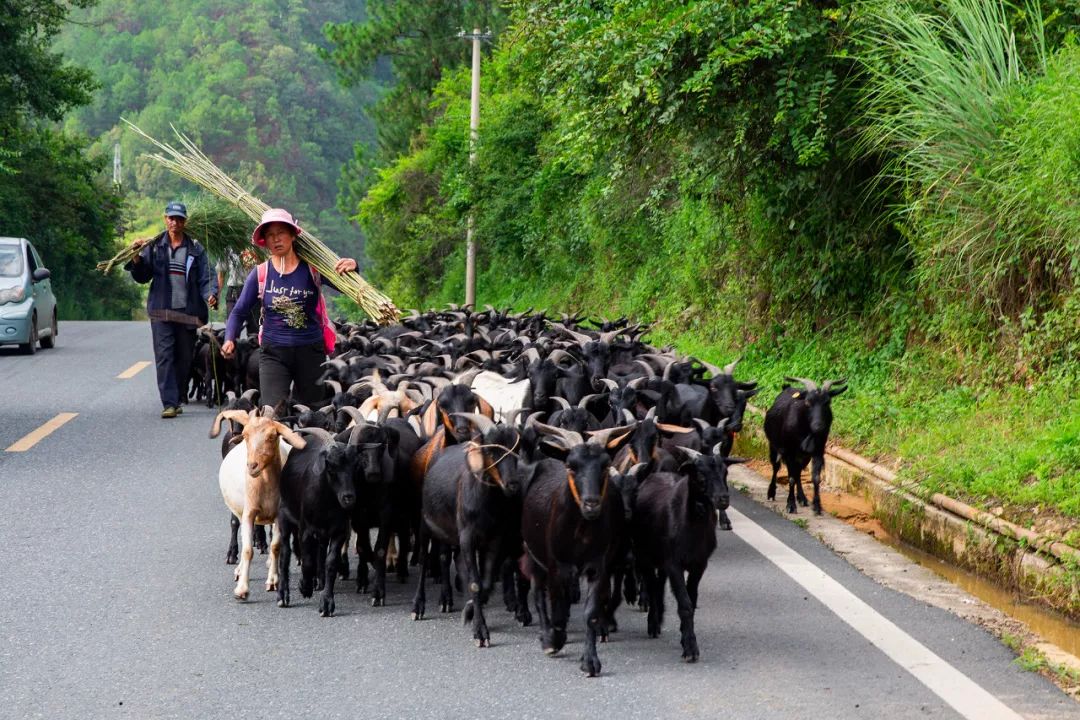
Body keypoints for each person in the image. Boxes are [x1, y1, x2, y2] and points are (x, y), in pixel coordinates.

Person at [220, 208, 356, 410]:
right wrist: (229, 338)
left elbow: (346, 286)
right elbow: (239, 311)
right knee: (273, 414)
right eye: (270, 235)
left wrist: (353, 266)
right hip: (274, 354)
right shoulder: (261, 273)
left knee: (313, 413)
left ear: (293, 235)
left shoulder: (313, 269)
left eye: (281, 233)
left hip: (311, 352)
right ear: (264, 241)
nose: (276, 239)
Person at [126, 201, 218, 418]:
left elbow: (207, 277)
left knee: (184, 358)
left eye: (179, 219)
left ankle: (176, 398)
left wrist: (211, 295)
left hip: (187, 314)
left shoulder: (195, 249)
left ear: (185, 222)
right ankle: (169, 402)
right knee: (164, 356)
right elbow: (142, 276)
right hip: (161, 312)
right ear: (165, 219)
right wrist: (137, 257)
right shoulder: (155, 246)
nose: (174, 222)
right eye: (171, 218)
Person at [216, 247, 259, 336]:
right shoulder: (227, 247)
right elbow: (221, 274)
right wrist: (217, 296)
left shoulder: (254, 244)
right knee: (232, 331)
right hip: (234, 291)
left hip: (253, 290)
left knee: (254, 332)